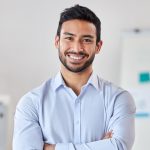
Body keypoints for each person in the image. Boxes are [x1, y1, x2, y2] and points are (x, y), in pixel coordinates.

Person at [13, 4, 136, 150]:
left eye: (87, 40)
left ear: (98, 46)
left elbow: (119, 146)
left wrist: (51, 148)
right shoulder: (31, 103)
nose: (77, 48)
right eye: (69, 38)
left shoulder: (119, 99)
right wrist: (100, 146)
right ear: (57, 42)